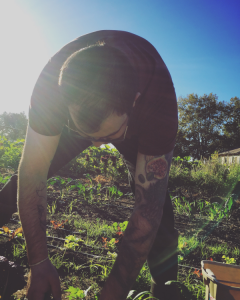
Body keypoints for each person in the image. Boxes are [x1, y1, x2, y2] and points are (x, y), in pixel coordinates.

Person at [0, 30, 178, 300]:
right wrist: (38, 263)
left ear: (135, 100)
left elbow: (147, 212)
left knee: (156, 200)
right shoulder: (50, 89)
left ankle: (165, 285)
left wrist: (111, 295)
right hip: (86, 118)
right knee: (25, 178)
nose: (97, 146)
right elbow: (32, 172)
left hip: (133, 126)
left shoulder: (158, 103)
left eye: (106, 138)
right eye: (90, 137)